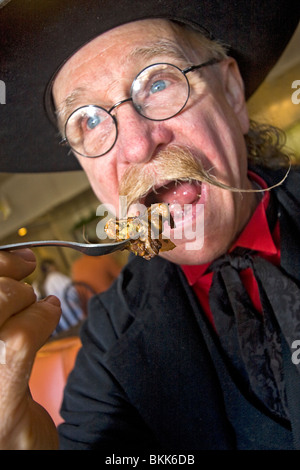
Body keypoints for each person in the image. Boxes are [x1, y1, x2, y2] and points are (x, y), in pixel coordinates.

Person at [0, 0, 299, 451]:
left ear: (232, 93)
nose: (138, 145)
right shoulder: (109, 341)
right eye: (90, 120)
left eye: (158, 81)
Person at [33, 259, 85, 336]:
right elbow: (76, 292)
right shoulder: (56, 277)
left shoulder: (35, 285)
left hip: (56, 331)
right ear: (52, 267)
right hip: (74, 321)